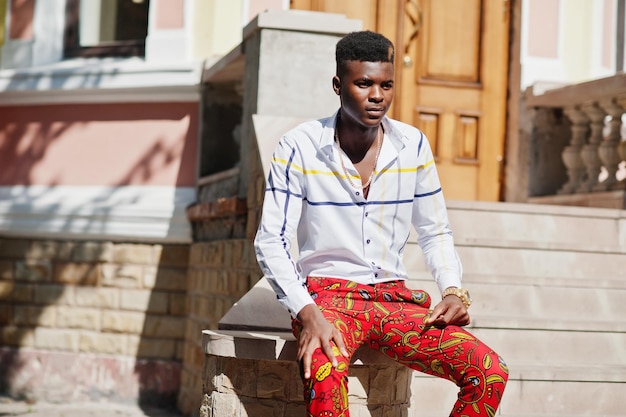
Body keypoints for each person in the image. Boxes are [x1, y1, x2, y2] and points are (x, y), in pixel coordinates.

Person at [254, 30, 508, 417]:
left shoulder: (413, 144)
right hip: (329, 298)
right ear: (338, 85)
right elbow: (272, 240)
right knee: (323, 369)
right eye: (364, 84)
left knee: (489, 371)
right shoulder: (299, 146)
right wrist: (306, 313)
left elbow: (435, 230)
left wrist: (454, 290)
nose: (377, 96)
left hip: (394, 301)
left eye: (386, 85)